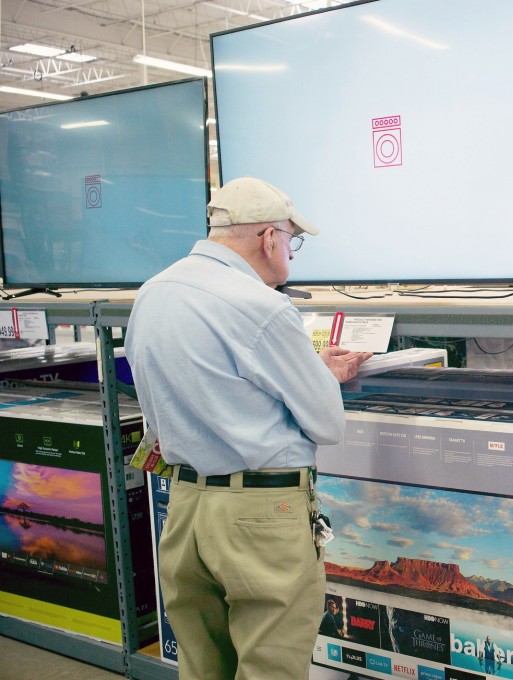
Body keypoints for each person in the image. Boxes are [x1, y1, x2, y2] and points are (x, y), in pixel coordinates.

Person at [125, 176, 371, 679]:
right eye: (292, 242)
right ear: (269, 238)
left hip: (187, 509)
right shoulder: (261, 306)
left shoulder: (154, 293)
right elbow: (326, 423)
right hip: (260, 518)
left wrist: (302, 369)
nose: (291, 255)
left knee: (203, 666)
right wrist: (322, 374)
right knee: (269, 667)